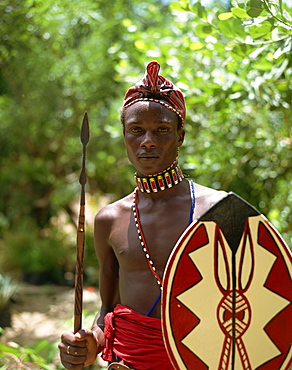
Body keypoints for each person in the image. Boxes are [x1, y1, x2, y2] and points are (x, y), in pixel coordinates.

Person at [58, 61, 226, 370]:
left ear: (180, 136)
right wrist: (89, 343)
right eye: (136, 130)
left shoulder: (216, 210)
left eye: (161, 130)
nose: (147, 140)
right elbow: (108, 309)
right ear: (124, 137)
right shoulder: (110, 219)